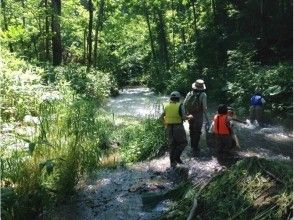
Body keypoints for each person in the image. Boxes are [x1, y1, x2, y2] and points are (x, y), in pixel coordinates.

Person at [160, 91, 190, 168]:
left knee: (172, 145)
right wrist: (190, 117)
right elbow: (183, 117)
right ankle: (177, 157)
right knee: (183, 143)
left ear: (171, 98)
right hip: (178, 127)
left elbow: (161, 117)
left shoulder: (166, 105)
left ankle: (172, 162)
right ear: (178, 98)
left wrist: (166, 124)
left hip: (169, 127)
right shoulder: (180, 105)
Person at [183, 79, 210, 156]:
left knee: (191, 130)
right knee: (197, 132)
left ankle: (192, 146)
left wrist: (185, 115)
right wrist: (208, 120)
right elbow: (204, 108)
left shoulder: (190, 93)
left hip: (190, 115)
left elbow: (184, 104)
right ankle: (195, 148)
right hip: (199, 116)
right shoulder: (203, 95)